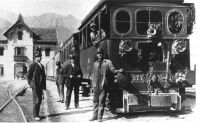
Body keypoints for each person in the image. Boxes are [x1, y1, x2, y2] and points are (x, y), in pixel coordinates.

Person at [89, 48, 123, 122]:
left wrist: (118, 71)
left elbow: (112, 69)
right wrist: (92, 85)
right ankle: (94, 116)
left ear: (103, 54)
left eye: (101, 53)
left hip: (103, 84)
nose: (100, 55)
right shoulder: (95, 63)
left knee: (101, 100)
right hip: (95, 84)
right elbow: (93, 74)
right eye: (98, 54)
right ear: (97, 55)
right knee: (95, 101)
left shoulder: (107, 62)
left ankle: (99, 117)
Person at [26, 51, 46, 121]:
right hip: (35, 85)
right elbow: (28, 75)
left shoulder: (42, 66)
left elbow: (43, 77)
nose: (39, 58)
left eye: (40, 57)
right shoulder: (33, 65)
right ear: (35, 58)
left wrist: (44, 87)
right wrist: (30, 83)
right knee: (36, 100)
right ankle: (35, 115)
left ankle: (37, 114)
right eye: (38, 57)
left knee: (39, 100)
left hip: (40, 86)